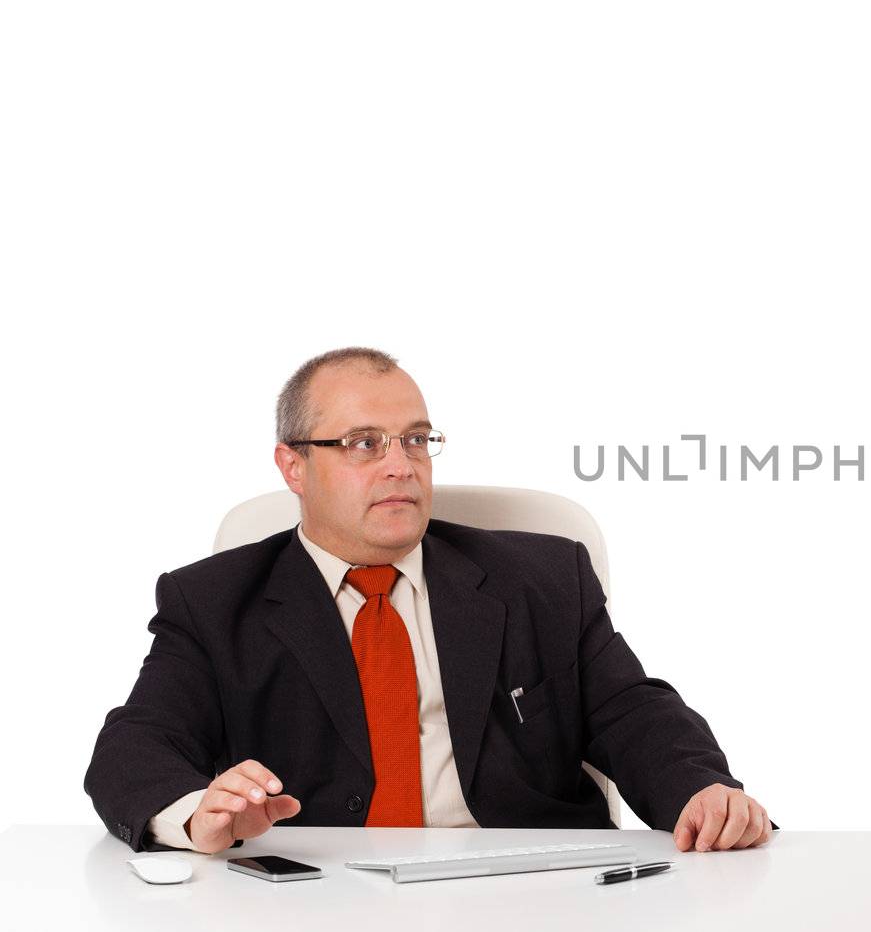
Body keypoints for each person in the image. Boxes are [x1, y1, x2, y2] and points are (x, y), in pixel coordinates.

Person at [84, 347, 772, 855]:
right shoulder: (212, 600)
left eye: (416, 438)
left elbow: (635, 713)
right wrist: (198, 811)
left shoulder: (544, 576)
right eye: (363, 443)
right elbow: (134, 745)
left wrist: (701, 791)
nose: (400, 464)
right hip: (314, 897)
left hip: (531, 889)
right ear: (294, 466)